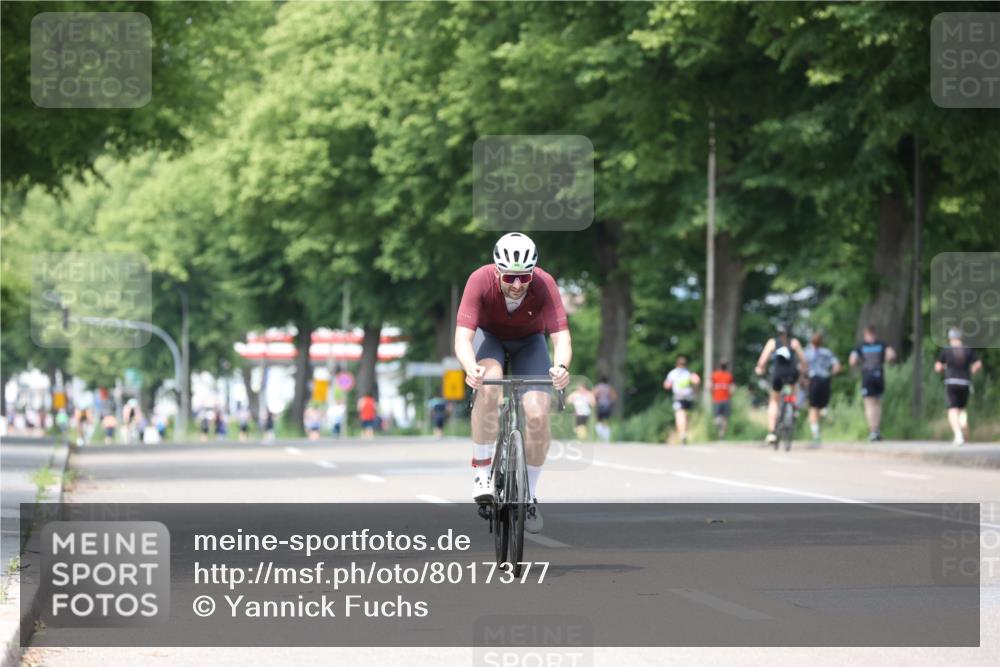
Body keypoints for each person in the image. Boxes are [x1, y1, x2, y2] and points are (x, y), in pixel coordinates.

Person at [455, 232, 571, 535]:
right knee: (489, 386)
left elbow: (561, 337)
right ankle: (482, 471)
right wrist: (471, 368)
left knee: (537, 413)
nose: (517, 285)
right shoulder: (479, 280)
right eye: (509, 277)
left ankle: (530, 494)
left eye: (524, 277)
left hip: (530, 343)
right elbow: (463, 337)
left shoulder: (544, 283)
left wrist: (561, 367)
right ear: (497, 271)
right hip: (489, 339)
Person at [754, 323, 808, 447]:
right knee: (793, 391)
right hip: (792, 374)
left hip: (778, 374)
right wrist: (804, 372)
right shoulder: (794, 343)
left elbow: (762, 361)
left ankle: (772, 432)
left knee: (774, 401)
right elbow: (803, 360)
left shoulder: (772, 342)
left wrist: (760, 369)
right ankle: (793, 409)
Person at [934, 328, 983, 446]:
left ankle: (958, 434)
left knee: (952, 409)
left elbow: (938, 367)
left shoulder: (946, 350)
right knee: (962, 409)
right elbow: (978, 364)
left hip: (951, 382)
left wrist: (943, 368)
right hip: (965, 382)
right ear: (961, 338)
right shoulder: (968, 350)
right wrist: (973, 370)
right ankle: (963, 425)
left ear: (950, 338)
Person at [848, 325, 896, 442]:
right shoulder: (882, 344)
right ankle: (877, 429)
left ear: (865, 335)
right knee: (878, 404)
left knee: (869, 405)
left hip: (867, 377)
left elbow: (852, 360)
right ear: (875, 334)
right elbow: (891, 355)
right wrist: (886, 360)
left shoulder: (861, 346)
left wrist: (858, 362)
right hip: (879, 375)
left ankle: (873, 431)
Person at [803, 332, 842, 445]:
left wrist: (804, 379)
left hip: (814, 380)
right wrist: (832, 373)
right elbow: (837, 366)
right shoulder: (827, 353)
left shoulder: (808, 353)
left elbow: (803, 367)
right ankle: (824, 412)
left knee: (813, 408)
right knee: (821, 406)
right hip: (825, 380)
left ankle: (816, 435)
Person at [663, 355, 701, 445]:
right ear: (685, 364)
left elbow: (667, 385)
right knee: (687, 416)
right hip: (689, 396)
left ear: (677, 364)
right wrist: (695, 390)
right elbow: (697, 380)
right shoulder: (689, 372)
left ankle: (682, 434)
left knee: (680, 415)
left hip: (678, 396)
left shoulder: (673, 373)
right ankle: (685, 433)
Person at [710, 360, 734, 439]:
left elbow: (710, 386)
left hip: (718, 399)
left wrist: (712, 393)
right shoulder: (728, 375)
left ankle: (721, 434)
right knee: (724, 418)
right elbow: (732, 388)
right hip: (724, 399)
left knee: (718, 417)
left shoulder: (715, 375)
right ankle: (722, 433)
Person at [592, 377, 617, 442]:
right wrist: (611, 402)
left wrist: (596, 401)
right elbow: (614, 397)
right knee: (606, 421)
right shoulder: (609, 387)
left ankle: (600, 435)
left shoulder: (599, 387)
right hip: (607, 405)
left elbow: (594, 394)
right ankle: (606, 437)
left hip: (600, 405)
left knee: (599, 420)